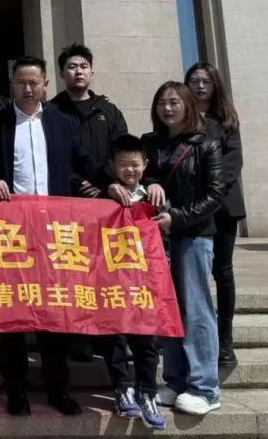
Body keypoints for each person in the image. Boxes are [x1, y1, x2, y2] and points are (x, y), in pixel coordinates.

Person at [0, 56, 101, 417]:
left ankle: (58, 389)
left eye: (34, 83)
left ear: (45, 85)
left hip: (54, 233)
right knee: (12, 314)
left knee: (53, 313)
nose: (28, 89)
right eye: (21, 82)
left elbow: (85, 162)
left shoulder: (62, 123)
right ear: (11, 85)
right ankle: (16, 390)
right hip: (12, 232)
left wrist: (114, 185)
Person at [144, 81, 225, 416]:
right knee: (168, 310)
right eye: (161, 103)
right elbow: (141, 173)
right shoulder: (151, 143)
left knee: (196, 310)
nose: (167, 108)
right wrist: (151, 183)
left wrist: (176, 218)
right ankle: (176, 380)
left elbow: (215, 194)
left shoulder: (206, 144)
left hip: (193, 236)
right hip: (157, 239)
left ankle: (205, 387)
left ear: (187, 105)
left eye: (174, 102)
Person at [99, 134, 167, 430]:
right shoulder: (104, 199)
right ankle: (122, 387)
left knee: (147, 340)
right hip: (114, 280)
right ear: (112, 166)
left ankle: (147, 391)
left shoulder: (154, 197)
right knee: (115, 336)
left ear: (145, 165)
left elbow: (165, 232)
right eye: (123, 164)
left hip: (146, 281)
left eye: (135, 164)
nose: (129, 170)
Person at [185, 61, 244, 367]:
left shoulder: (226, 120)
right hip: (190, 208)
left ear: (215, 85)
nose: (200, 86)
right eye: (194, 80)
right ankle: (196, 334)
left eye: (206, 81)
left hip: (222, 207)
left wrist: (212, 193)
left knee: (222, 271)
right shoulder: (181, 118)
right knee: (191, 272)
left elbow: (233, 163)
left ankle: (225, 337)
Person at [49, 43, 129, 189]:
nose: (79, 71)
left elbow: (122, 151)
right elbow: (49, 155)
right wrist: (77, 181)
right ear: (61, 74)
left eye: (84, 66)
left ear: (91, 73)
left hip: (105, 191)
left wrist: (103, 181)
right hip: (65, 192)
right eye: (72, 67)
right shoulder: (50, 111)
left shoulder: (109, 111)